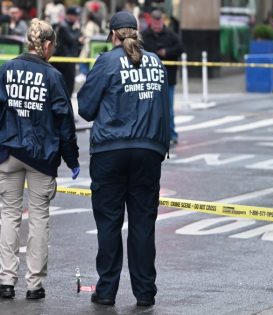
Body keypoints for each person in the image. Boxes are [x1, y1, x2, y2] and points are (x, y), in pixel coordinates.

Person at [0, 18, 80, 300]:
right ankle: (34, 285)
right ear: (47, 45)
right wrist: (71, 159)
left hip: (9, 152)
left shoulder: (6, 69)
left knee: (9, 215)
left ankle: (6, 281)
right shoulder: (53, 77)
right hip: (41, 156)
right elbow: (64, 123)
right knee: (39, 219)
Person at [77, 11, 170, 307]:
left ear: (113, 35)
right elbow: (164, 108)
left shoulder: (106, 62)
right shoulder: (156, 62)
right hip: (148, 151)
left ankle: (105, 292)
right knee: (143, 224)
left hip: (110, 152)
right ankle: (145, 293)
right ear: (137, 32)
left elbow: (86, 109)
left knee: (109, 223)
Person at [141, 9, 183, 145]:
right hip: (149, 78)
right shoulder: (144, 35)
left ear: (162, 21)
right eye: (155, 21)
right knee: (148, 108)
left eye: (159, 21)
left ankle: (172, 134)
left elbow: (180, 48)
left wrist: (166, 52)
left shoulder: (170, 35)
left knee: (168, 109)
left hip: (167, 78)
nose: (157, 24)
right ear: (151, 21)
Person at [51, 6, 82, 95]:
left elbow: (75, 42)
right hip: (64, 60)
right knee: (66, 86)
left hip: (70, 59)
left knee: (69, 85)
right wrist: (77, 30)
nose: (76, 18)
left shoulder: (71, 26)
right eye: (74, 15)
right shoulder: (63, 26)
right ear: (69, 15)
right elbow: (72, 39)